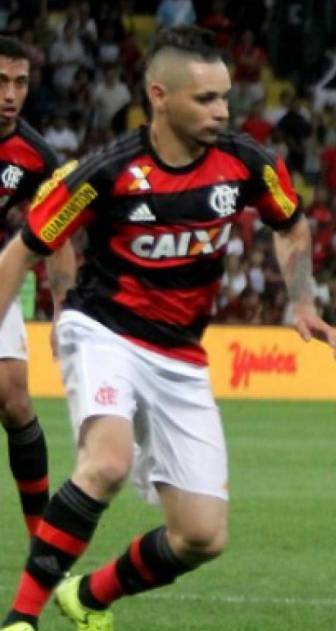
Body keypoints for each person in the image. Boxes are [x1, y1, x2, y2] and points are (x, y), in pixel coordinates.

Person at [0, 26, 336, 631]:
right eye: (206, 99)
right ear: (160, 95)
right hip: (102, 327)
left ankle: (87, 597)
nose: (223, 111)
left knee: (201, 537)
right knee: (105, 462)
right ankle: (21, 620)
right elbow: (21, 252)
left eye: (225, 97)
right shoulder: (104, 173)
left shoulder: (246, 164)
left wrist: (303, 300)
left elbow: (291, 225)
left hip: (181, 354)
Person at [0, 36, 77, 538]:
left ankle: (42, 543)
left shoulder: (35, 157)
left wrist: (63, 311)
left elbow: (57, 233)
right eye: (2, 81)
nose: (11, 93)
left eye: (21, 82)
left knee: (14, 397)